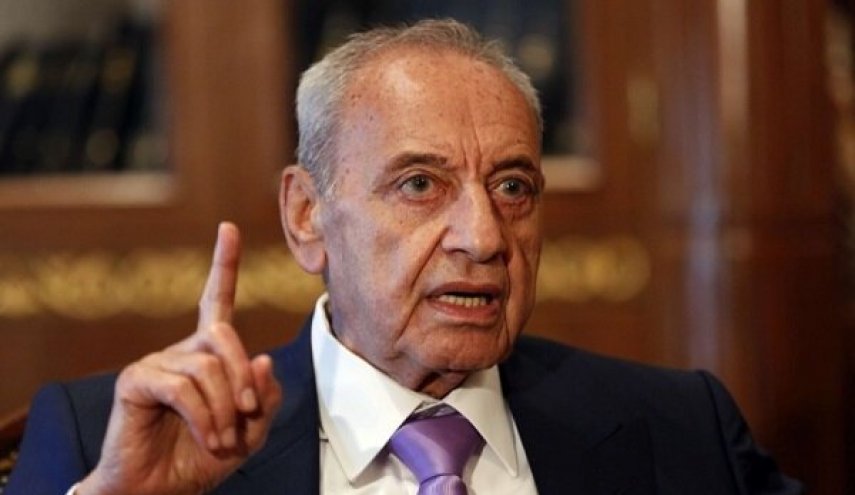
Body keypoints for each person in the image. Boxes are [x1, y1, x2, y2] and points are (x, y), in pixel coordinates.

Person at [7, 19, 801, 495]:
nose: (483, 238)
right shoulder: (108, 440)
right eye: (419, 184)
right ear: (307, 215)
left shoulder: (679, 426)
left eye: (512, 186)